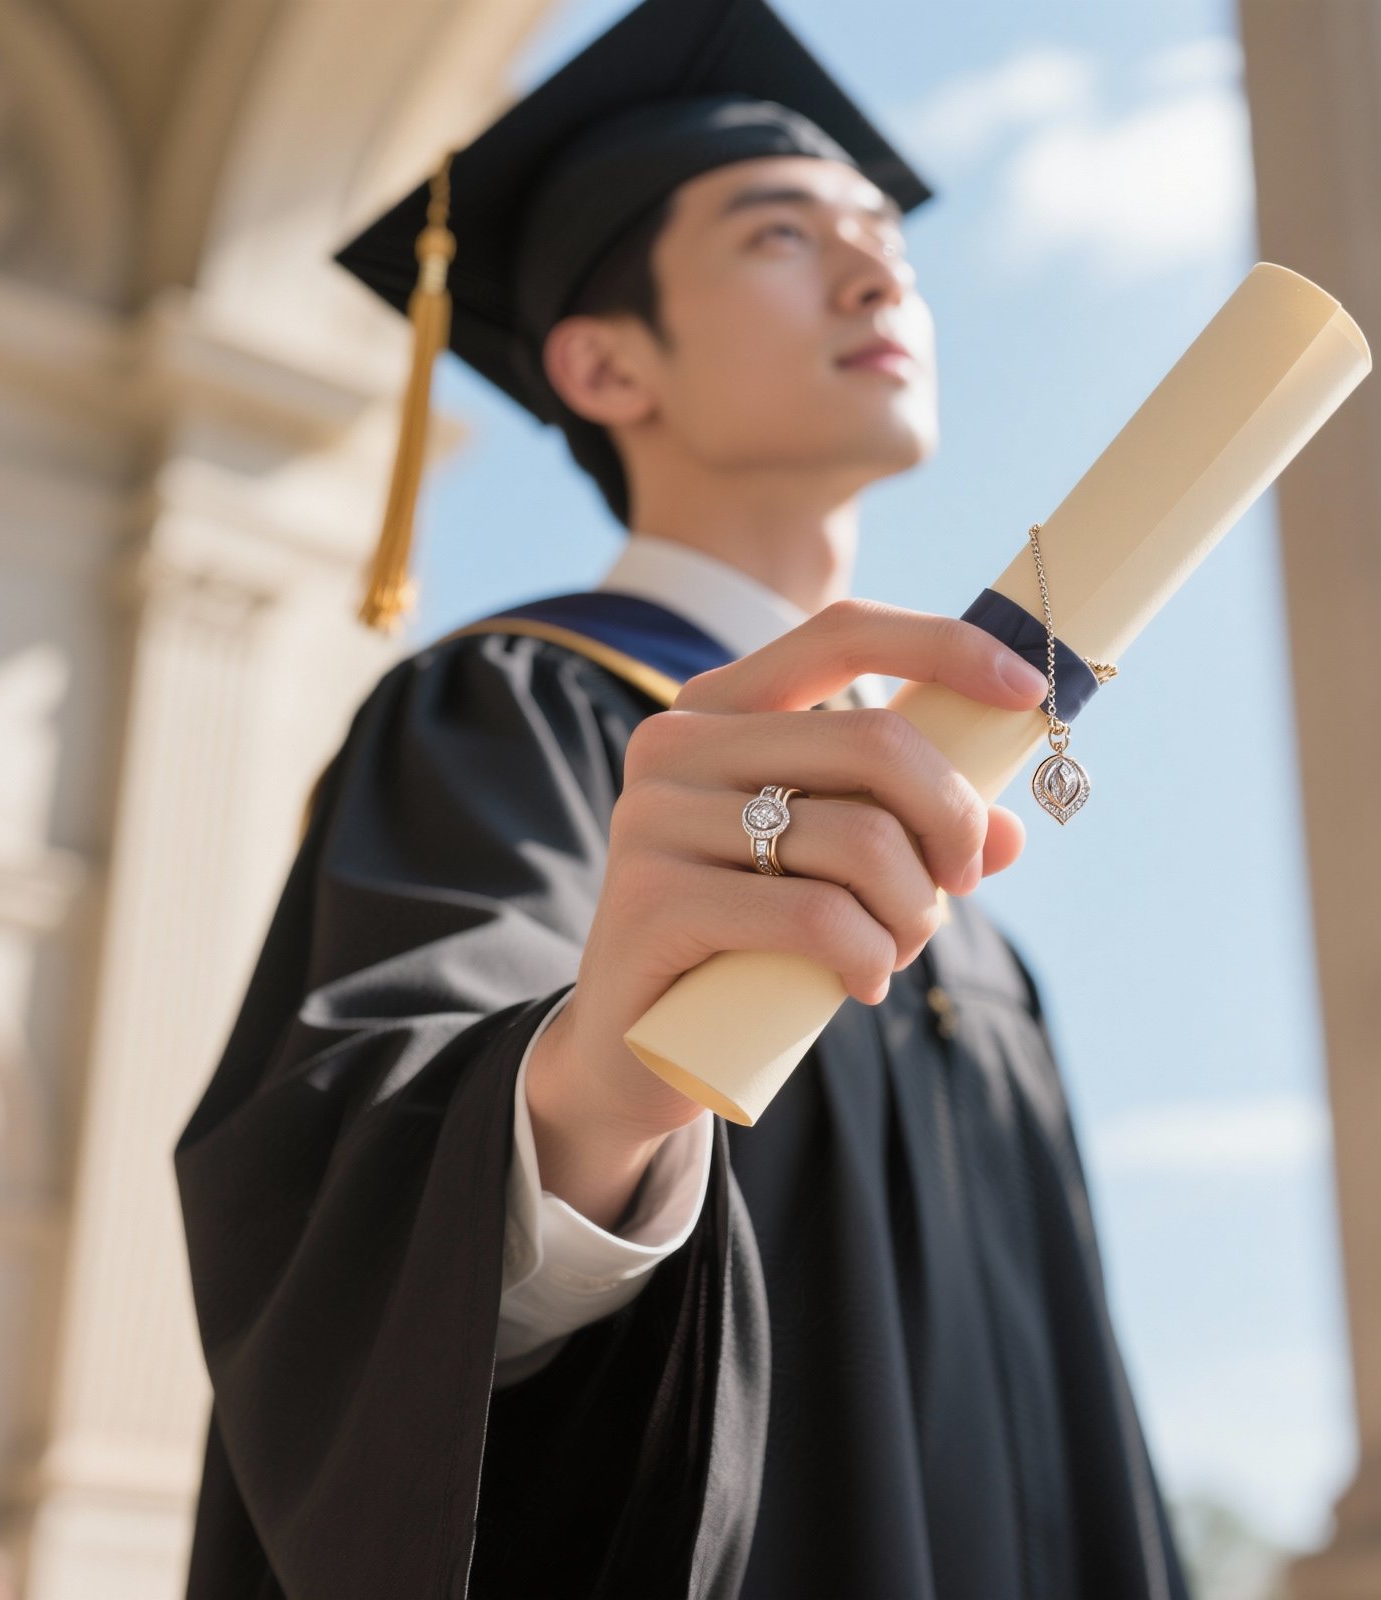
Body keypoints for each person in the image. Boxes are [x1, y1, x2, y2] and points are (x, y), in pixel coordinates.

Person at [173, 0, 1192, 1595]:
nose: (878, 275)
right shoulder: (510, 719)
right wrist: (589, 1097)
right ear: (604, 361)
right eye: (784, 234)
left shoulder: (949, 849)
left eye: (886, 239)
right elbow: (349, 1230)